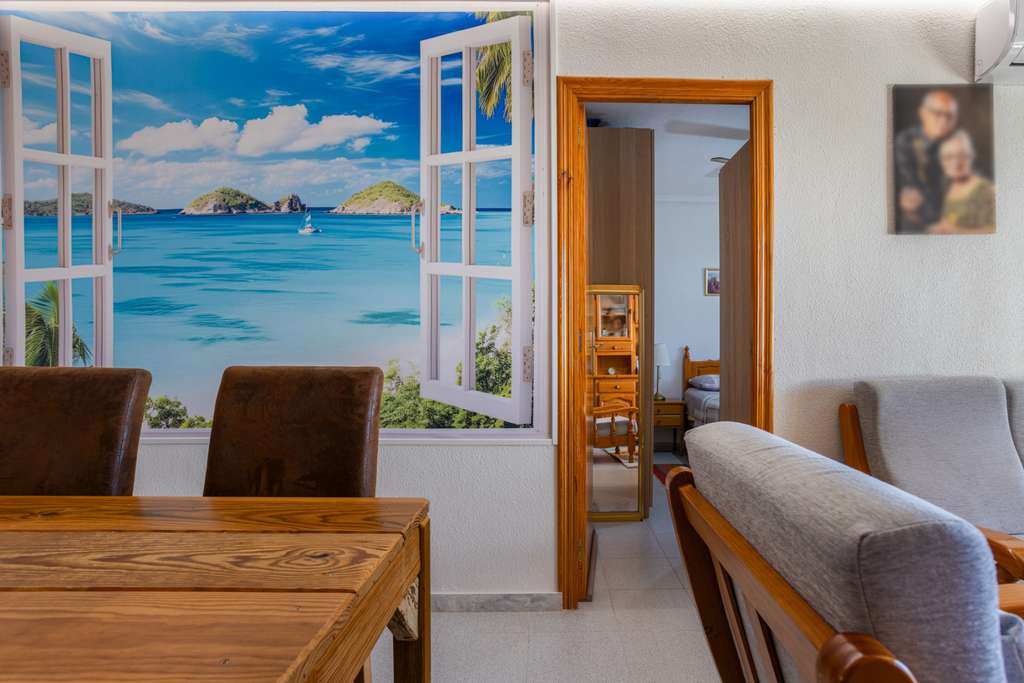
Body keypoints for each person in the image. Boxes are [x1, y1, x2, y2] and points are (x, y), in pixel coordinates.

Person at [894, 89, 959, 233]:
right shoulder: (905, 141)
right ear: (923, 113)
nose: (943, 120)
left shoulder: (958, 144)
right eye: (937, 113)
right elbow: (912, 191)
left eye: (949, 116)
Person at [928, 130, 995, 234]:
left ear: (972, 156)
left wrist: (955, 231)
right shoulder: (946, 185)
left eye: (962, 155)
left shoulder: (988, 190)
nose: (956, 163)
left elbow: (996, 233)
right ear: (941, 161)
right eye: (948, 157)